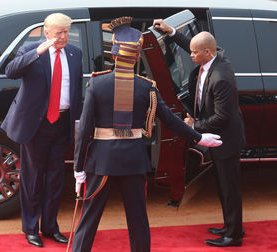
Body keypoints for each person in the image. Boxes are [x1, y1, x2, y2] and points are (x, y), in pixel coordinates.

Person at [72, 16, 222, 252]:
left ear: (114, 54)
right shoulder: (146, 87)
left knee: (88, 219)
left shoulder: (97, 85)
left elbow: (84, 131)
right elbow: (170, 120)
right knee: (138, 220)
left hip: (101, 161)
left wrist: (78, 167)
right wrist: (199, 137)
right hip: (133, 160)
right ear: (136, 56)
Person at [153, 19, 246, 247]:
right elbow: (193, 45)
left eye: (195, 53)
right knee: (224, 186)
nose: (191, 56)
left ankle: (233, 235)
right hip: (220, 138)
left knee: (229, 188)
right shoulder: (212, 55)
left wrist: (194, 126)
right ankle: (231, 226)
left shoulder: (221, 77)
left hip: (227, 140)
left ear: (207, 53)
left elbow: (222, 118)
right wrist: (172, 32)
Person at [1, 13, 83, 247]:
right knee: (33, 179)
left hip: (62, 122)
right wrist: (38, 51)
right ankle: (31, 229)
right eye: (58, 32)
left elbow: (76, 90)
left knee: (56, 179)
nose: (63, 37)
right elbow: (11, 71)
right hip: (36, 125)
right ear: (46, 32)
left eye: (66, 32)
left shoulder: (75, 53)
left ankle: (50, 227)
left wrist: (77, 122)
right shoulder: (30, 50)